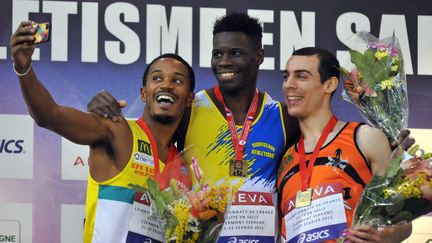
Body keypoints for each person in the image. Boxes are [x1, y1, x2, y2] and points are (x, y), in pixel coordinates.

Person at [87, 13, 300, 242]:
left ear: (259, 57)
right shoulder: (190, 109)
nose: (224, 62)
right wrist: (100, 109)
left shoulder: (284, 117)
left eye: (235, 53)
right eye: (217, 54)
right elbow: (146, 139)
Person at [10, 21, 195, 243]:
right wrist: (24, 68)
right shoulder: (117, 131)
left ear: (190, 99)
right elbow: (50, 116)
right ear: (144, 93)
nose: (166, 85)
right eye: (157, 78)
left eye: (177, 80)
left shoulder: (185, 168)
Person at [276, 47, 412, 243]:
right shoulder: (284, 159)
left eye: (301, 77)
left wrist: (383, 237)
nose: (289, 85)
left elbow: (402, 218)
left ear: (330, 84)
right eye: (286, 77)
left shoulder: (365, 138)